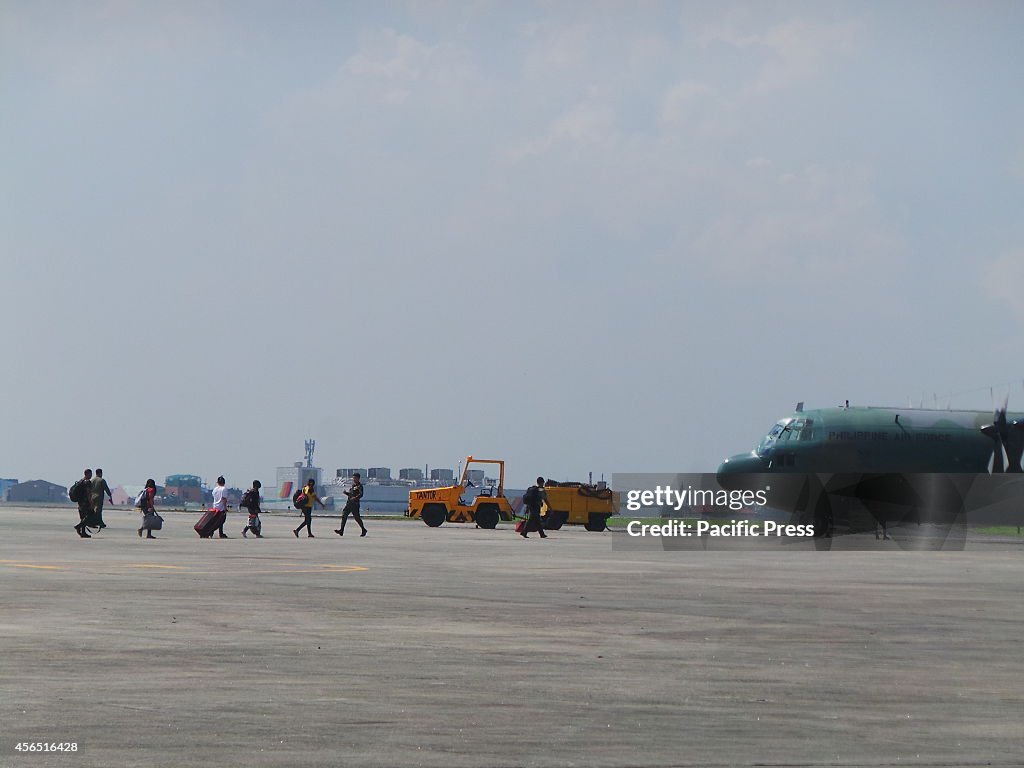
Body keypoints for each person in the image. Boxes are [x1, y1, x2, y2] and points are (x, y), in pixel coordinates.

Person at [335, 472, 367, 537]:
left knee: (357, 518)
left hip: (355, 504)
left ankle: (363, 530)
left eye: (355, 478)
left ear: (358, 478)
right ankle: (341, 530)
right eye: (353, 478)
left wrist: (355, 498)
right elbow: (350, 494)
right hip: (349, 503)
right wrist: (346, 493)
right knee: (344, 515)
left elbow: (361, 494)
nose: (354, 479)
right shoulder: (353, 486)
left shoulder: (359, 486)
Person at [72, 468, 94, 538]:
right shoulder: (87, 482)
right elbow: (88, 493)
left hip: (80, 502)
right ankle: (78, 527)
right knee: (89, 516)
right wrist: (91, 503)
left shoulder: (80, 481)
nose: (91, 475)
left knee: (83, 517)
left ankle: (83, 532)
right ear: (88, 474)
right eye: (90, 474)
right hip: (85, 502)